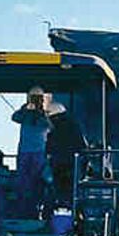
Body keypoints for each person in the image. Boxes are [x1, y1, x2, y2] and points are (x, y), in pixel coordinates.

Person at [11, 86, 52, 218]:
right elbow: (15, 117)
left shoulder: (45, 114)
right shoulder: (24, 114)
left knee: (38, 181)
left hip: (39, 151)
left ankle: (36, 209)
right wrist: (25, 110)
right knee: (22, 182)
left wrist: (40, 113)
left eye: (38, 98)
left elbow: (50, 126)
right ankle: (22, 209)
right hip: (25, 151)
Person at [45, 105, 88, 207]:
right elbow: (83, 146)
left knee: (60, 193)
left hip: (61, 167)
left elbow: (48, 149)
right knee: (73, 193)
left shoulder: (54, 131)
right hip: (74, 166)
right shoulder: (75, 126)